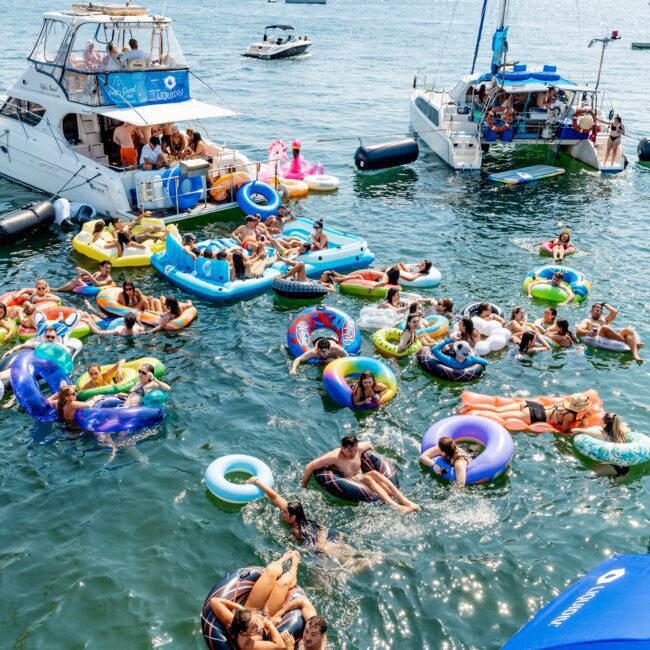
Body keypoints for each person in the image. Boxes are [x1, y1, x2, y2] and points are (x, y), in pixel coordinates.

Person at [302, 435, 420, 513]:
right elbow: (310, 466)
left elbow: (368, 445)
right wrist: (304, 486)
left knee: (374, 473)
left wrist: (374, 456)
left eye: (354, 449)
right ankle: (396, 507)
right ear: (342, 448)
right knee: (369, 478)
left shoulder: (358, 449)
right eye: (349, 451)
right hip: (352, 482)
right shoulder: (334, 457)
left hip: (363, 476)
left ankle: (405, 501)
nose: (353, 453)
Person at [208, 551, 301, 649]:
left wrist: (239, 608)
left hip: (251, 608)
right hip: (268, 615)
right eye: (253, 627)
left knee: (270, 572)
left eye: (255, 622)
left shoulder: (232, 621)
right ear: (243, 632)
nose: (257, 625)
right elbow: (280, 645)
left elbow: (214, 601)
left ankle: (282, 559)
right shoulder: (248, 646)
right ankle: (294, 566)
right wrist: (269, 623)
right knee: (283, 584)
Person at [459, 392, 593, 433]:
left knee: (497, 409)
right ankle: (474, 414)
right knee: (498, 415)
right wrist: (583, 421)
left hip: (530, 405)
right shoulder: (569, 415)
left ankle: (471, 405)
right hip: (534, 415)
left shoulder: (565, 404)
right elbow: (565, 431)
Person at [576, 302, 643, 361]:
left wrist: (604, 304)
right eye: (595, 310)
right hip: (600, 338)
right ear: (591, 311)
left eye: (599, 311)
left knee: (629, 330)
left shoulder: (604, 319)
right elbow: (579, 330)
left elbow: (615, 312)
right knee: (605, 328)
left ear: (601, 313)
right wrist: (588, 332)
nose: (597, 312)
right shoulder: (587, 321)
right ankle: (629, 343)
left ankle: (635, 356)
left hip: (612, 337)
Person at [572, 412, 631, 477]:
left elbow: (574, 430)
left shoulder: (599, 434)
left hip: (609, 466)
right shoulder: (622, 432)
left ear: (604, 423)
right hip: (625, 468)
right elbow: (628, 429)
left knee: (586, 479)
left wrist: (583, 422)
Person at [320, 266, 400, 288]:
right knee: (357, 276)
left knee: (358, 276)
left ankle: (340, 278)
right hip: (368, 282)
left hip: (368, 284)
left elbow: (383, 282)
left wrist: (373, 286)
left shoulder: (386, 277)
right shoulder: (388, 278)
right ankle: (340, 277)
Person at [82, 312, 148, 337]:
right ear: (134, 323)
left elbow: (98, 332)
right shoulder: (137, 329)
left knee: (92, 316)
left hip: (106, 327)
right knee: (100, 315)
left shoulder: (118, 330)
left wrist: (88, 321)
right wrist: (139, 321)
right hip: (112, 324)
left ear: (124, 322)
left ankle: (90, 307)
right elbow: (143, 328)